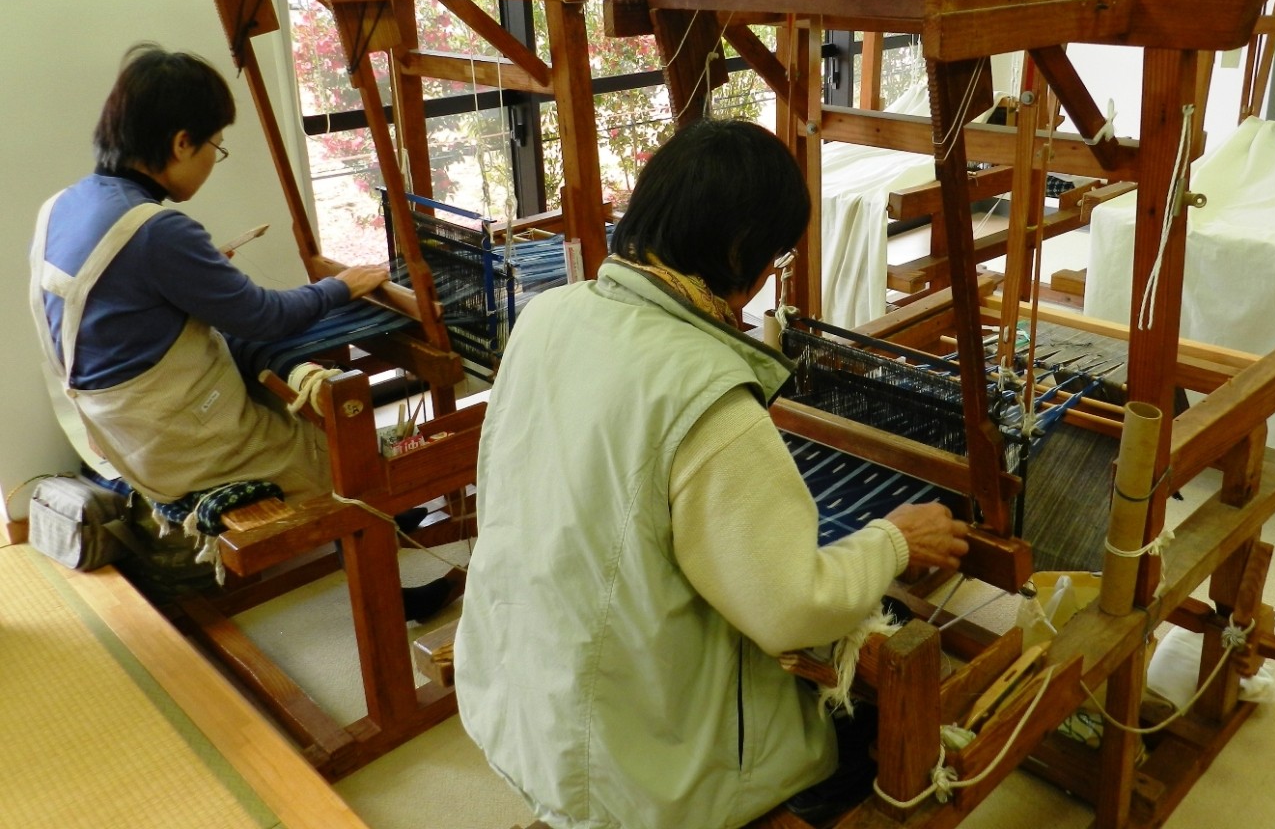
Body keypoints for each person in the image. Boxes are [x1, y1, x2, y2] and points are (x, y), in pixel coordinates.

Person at [454, 118, 970, 829]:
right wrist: (894, 540)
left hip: (520, 702)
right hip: (641, 772)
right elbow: (791, 611)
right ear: (739, 253)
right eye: (775, 256)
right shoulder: (707, 396)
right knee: (861, 734)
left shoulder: (548, 315)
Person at [29, 42, 452, 620]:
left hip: (113, 429)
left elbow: (127, 303)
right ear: (180, 142)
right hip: (175, 443)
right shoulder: (157, 232)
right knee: (348, 460)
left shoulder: (67, 204)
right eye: (214, 146)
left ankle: (389, 524)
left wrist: (198, 278)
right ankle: (390, 599)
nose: (212, 159)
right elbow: (265, 318)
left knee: (297, 418)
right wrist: (344, 285)